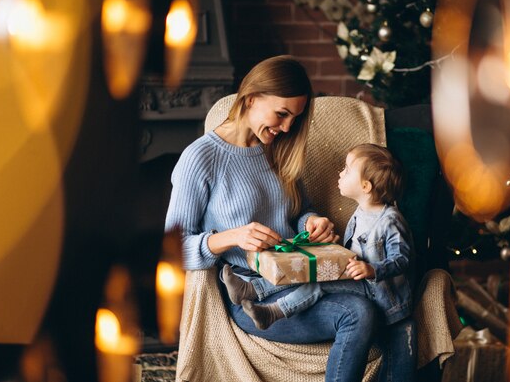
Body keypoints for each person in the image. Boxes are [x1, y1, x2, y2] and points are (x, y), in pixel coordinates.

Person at [164, 55, 379, 382]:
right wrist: (233, 237)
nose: (288, 127)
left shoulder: (278, 147)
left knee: (391, 304)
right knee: (359, 313)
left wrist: (312, 222)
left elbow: (299, 208)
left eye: (295, 117)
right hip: (252, 294)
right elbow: (171, 250)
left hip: (300, 275)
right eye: (282, 114)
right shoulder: (201, 158)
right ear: (251, 99)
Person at [224, 144, 416, 381]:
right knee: (314, 275)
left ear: (365, 186)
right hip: (361, 284)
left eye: (346, 170)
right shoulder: (361, 212)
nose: (340, 173)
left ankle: (270, 307)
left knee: (399, 371)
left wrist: (372, 269)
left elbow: (403, 259)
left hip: (385, 299)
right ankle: (255, 293)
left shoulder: (390, 220)